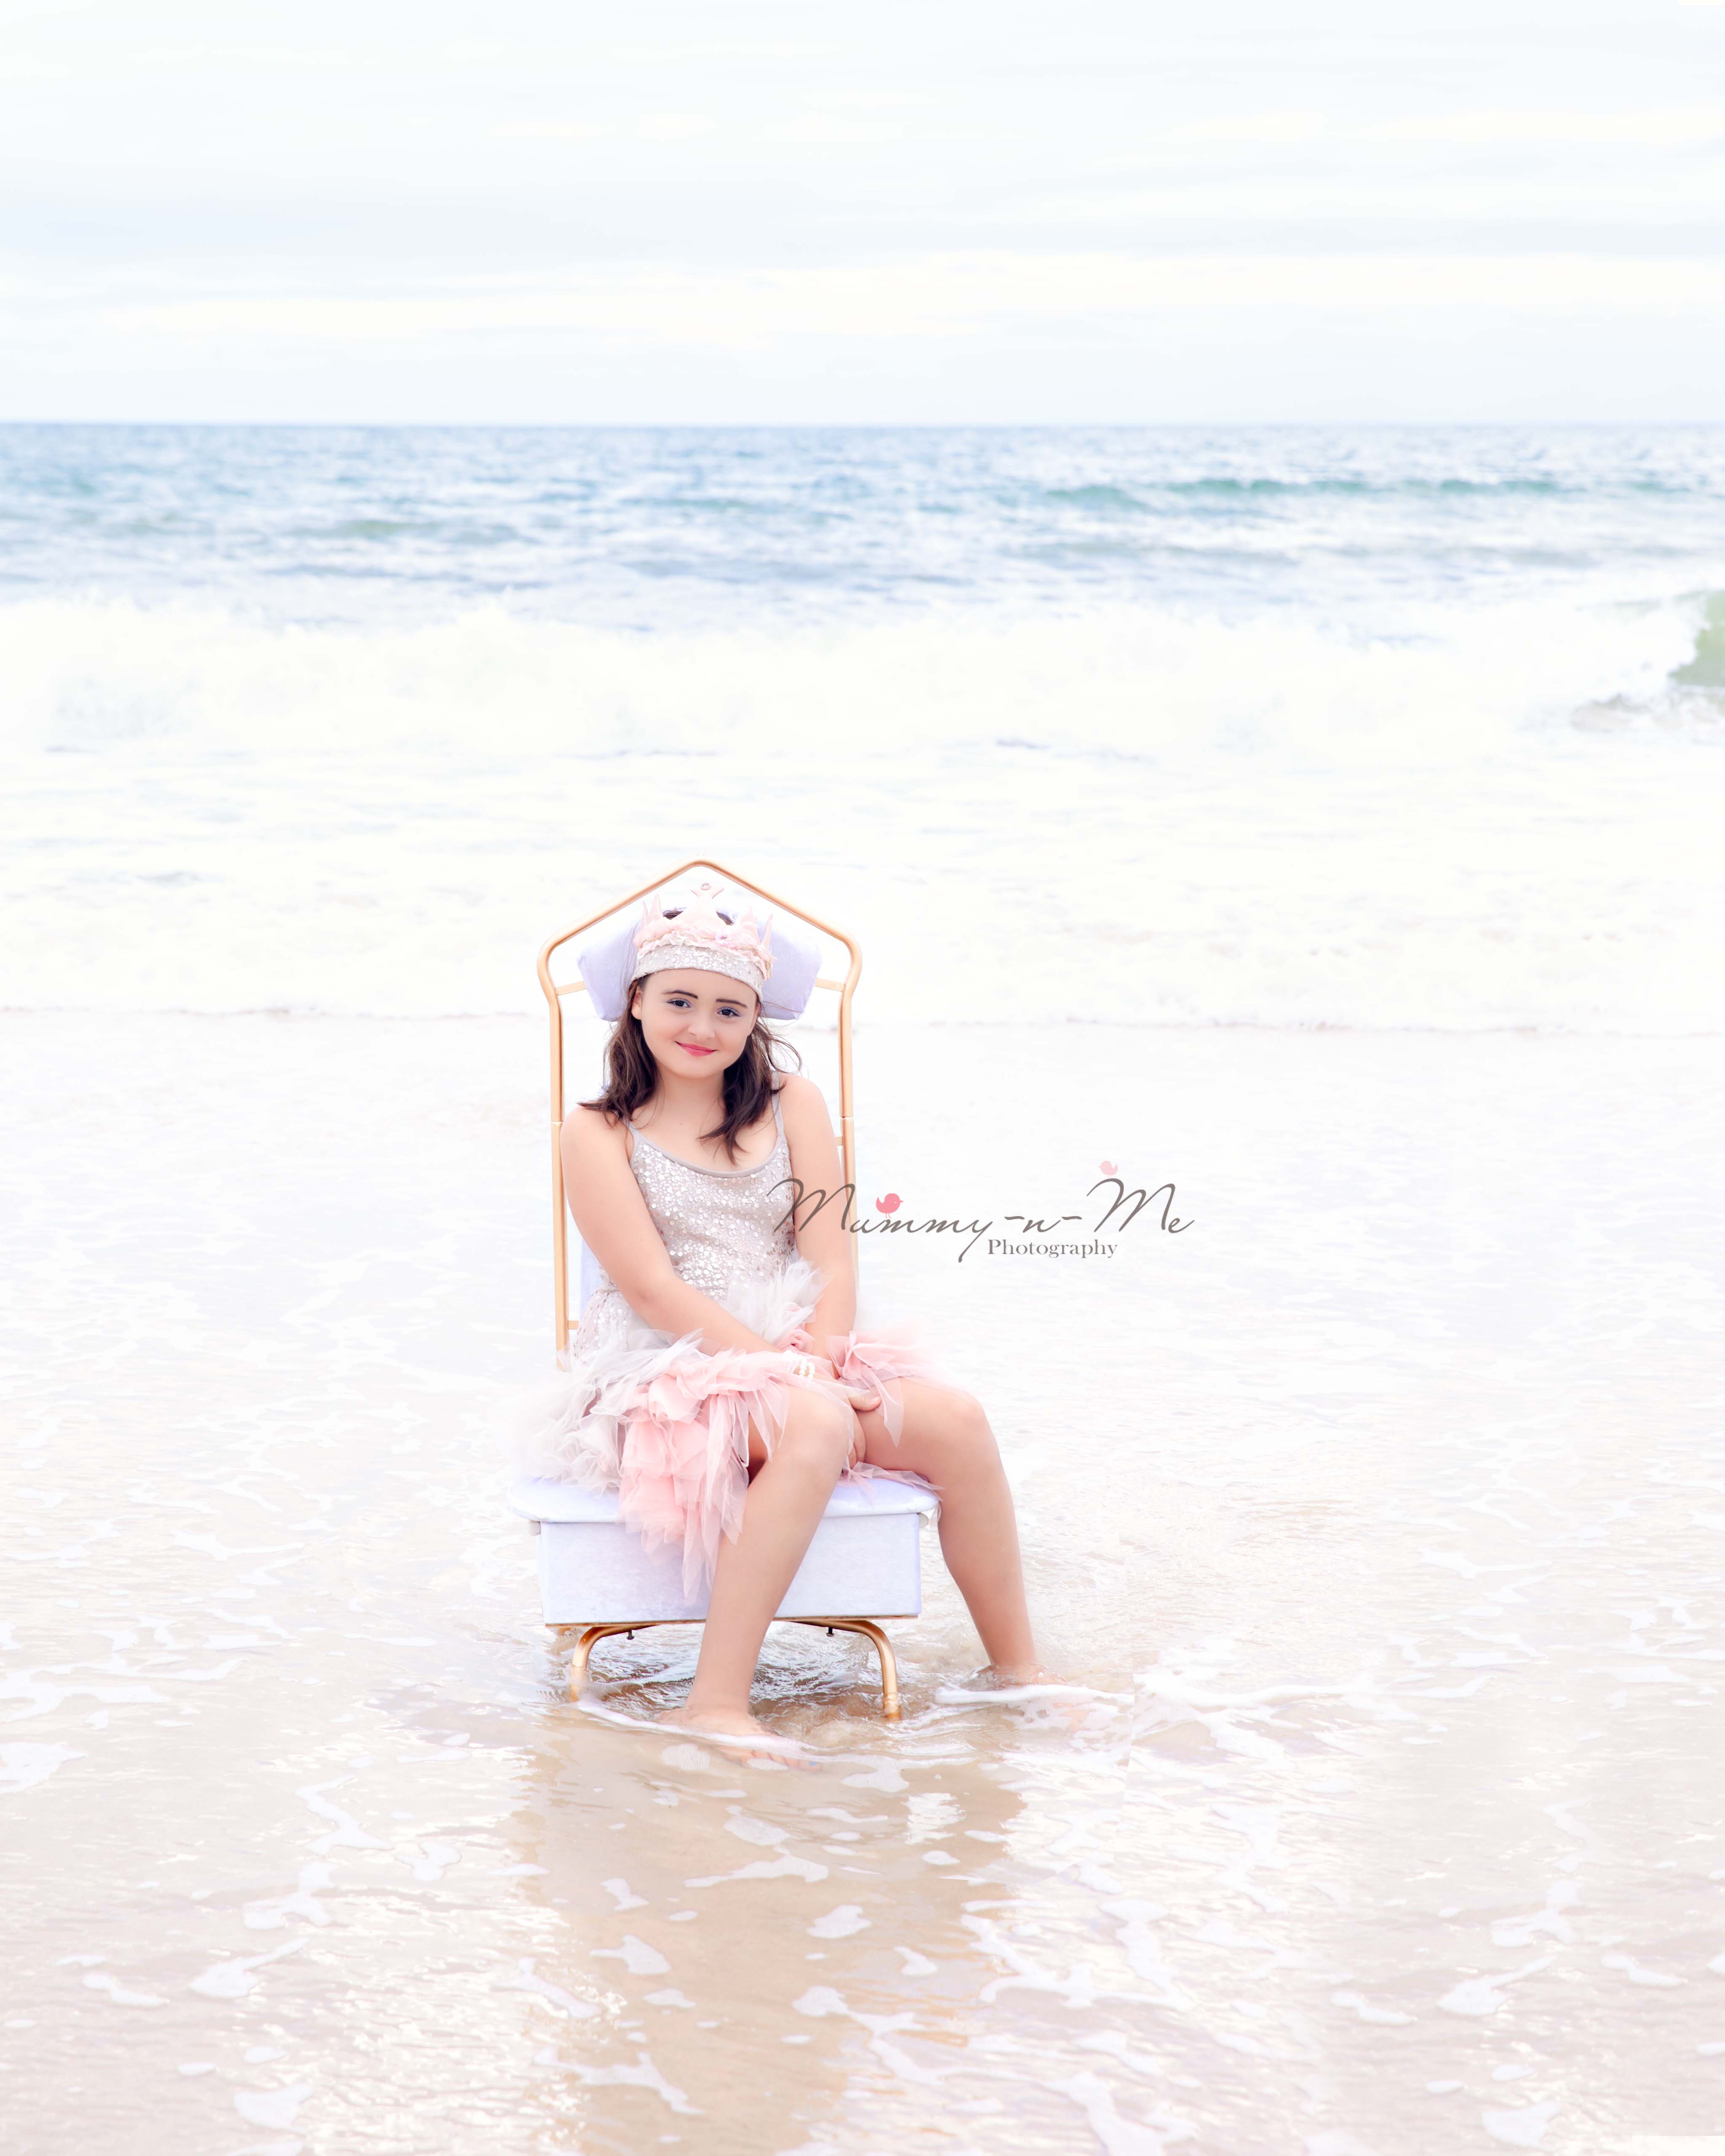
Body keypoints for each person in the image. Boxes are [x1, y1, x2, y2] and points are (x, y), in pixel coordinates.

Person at [514, 882, 1045, 1750]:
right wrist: (777, 1369)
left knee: (955, 1420)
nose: (702, 1026)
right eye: (679, 1000)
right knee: (808, 1419)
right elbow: (649, 1287)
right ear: (637, 1000)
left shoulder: (790, 1103)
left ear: (756, 1017)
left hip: (795, 1344)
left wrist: (821, 1355)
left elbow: (831, 1255)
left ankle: (1016, 1673)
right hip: (667, 1362)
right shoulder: (596, 1129)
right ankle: (716, 1703)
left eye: (729, 1009)